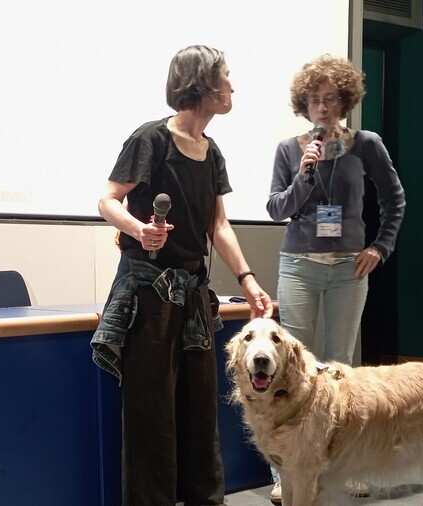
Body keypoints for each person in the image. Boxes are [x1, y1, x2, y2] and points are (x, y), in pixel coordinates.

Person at [90, 44, 273, 506]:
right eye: (226, 75)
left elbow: (218, 226)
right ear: (203, 82)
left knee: (198, 411)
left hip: (193, 296)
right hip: (148, 294)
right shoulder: (150, 139)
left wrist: (248, 280)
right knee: (151, 416)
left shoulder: (212, 153)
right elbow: (108, 200)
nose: (233, 85)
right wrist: (138, 229)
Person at [265, 54, 406, 503]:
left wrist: (380, 247)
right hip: (299, 266)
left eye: (330, 100)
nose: (322, 108)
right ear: (303, 105)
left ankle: (346, 463)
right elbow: (276, 209)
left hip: (349, 268)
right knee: (291, 368)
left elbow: (394, 200)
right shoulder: (291, 150)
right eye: (314, 101)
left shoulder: (367, 145)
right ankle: (284, 469)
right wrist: (306, 173)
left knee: (342, 367)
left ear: (345, 102)